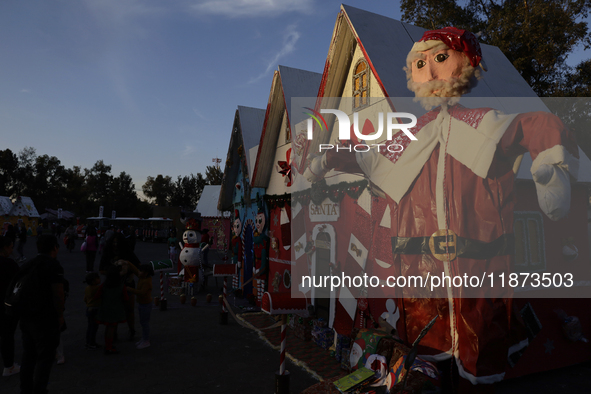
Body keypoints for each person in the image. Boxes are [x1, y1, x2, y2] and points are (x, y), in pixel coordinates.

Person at [305, 27, 578, 390]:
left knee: (480, 366)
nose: (431, 73)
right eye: (421, 64)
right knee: (425, 369)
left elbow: (536, 124)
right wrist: (327, 159)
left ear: (467, 63)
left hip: (479, 281)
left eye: (440, 59)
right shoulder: (407, 139)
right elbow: (365, 157)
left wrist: (551, 167)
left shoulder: (486, 125)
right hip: (421, 285)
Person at [16, 235, 65, 393]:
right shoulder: (53, 265)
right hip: (45, 318)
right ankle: (40, 389)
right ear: (55, 248)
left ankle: (25, 388)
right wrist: (60, 315)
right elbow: (58, 293)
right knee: (45, 358)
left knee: (28, 355)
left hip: (26, 316)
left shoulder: (28, 264)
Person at [99, 233, 140, 341]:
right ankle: (114, 332)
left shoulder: (128, 253)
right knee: (115, 309)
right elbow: (101, 269)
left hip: (127, 284)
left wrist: (130, 270)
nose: (115, 244)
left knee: (129, 309)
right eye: (113, 242)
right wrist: (113, 272)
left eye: (117, 242)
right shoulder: (107, 253)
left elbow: (138, 266)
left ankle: (132, 330)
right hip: (113, 285)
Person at [95, 266, 127, 355]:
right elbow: (125, 298)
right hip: (115, 309)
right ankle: (109, 347)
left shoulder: (104, 285)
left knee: (108, 327)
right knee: (111, 328)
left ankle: (108, 345)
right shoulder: (121, 286)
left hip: (105, 308)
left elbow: (97, 296)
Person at [0, 236, 20, 377]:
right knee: (7, 335)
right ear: (5, 247)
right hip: (6, 305)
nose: (12, 250)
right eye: (11, 247)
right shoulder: (9, 264)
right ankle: (9, 366)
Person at [125, 263, 154, 349]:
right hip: (143, 303)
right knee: (143, 322)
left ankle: (146, 340)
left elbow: (141, 293)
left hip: (145, 304)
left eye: (141, 271)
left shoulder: (146, 282)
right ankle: (144, 339)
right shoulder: (143, 277)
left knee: (145, 323)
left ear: (146, 273)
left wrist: (130, 289)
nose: (138, 272)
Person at [83, 272, 102, 350]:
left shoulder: (87, 288)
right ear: (94, 281)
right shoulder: (97, 288)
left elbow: (85, 299)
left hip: (89, 308)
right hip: (95, 309)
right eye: (98, 278)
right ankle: (92, 342)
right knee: (94, 327)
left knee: (90, 326)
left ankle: (88, 342)